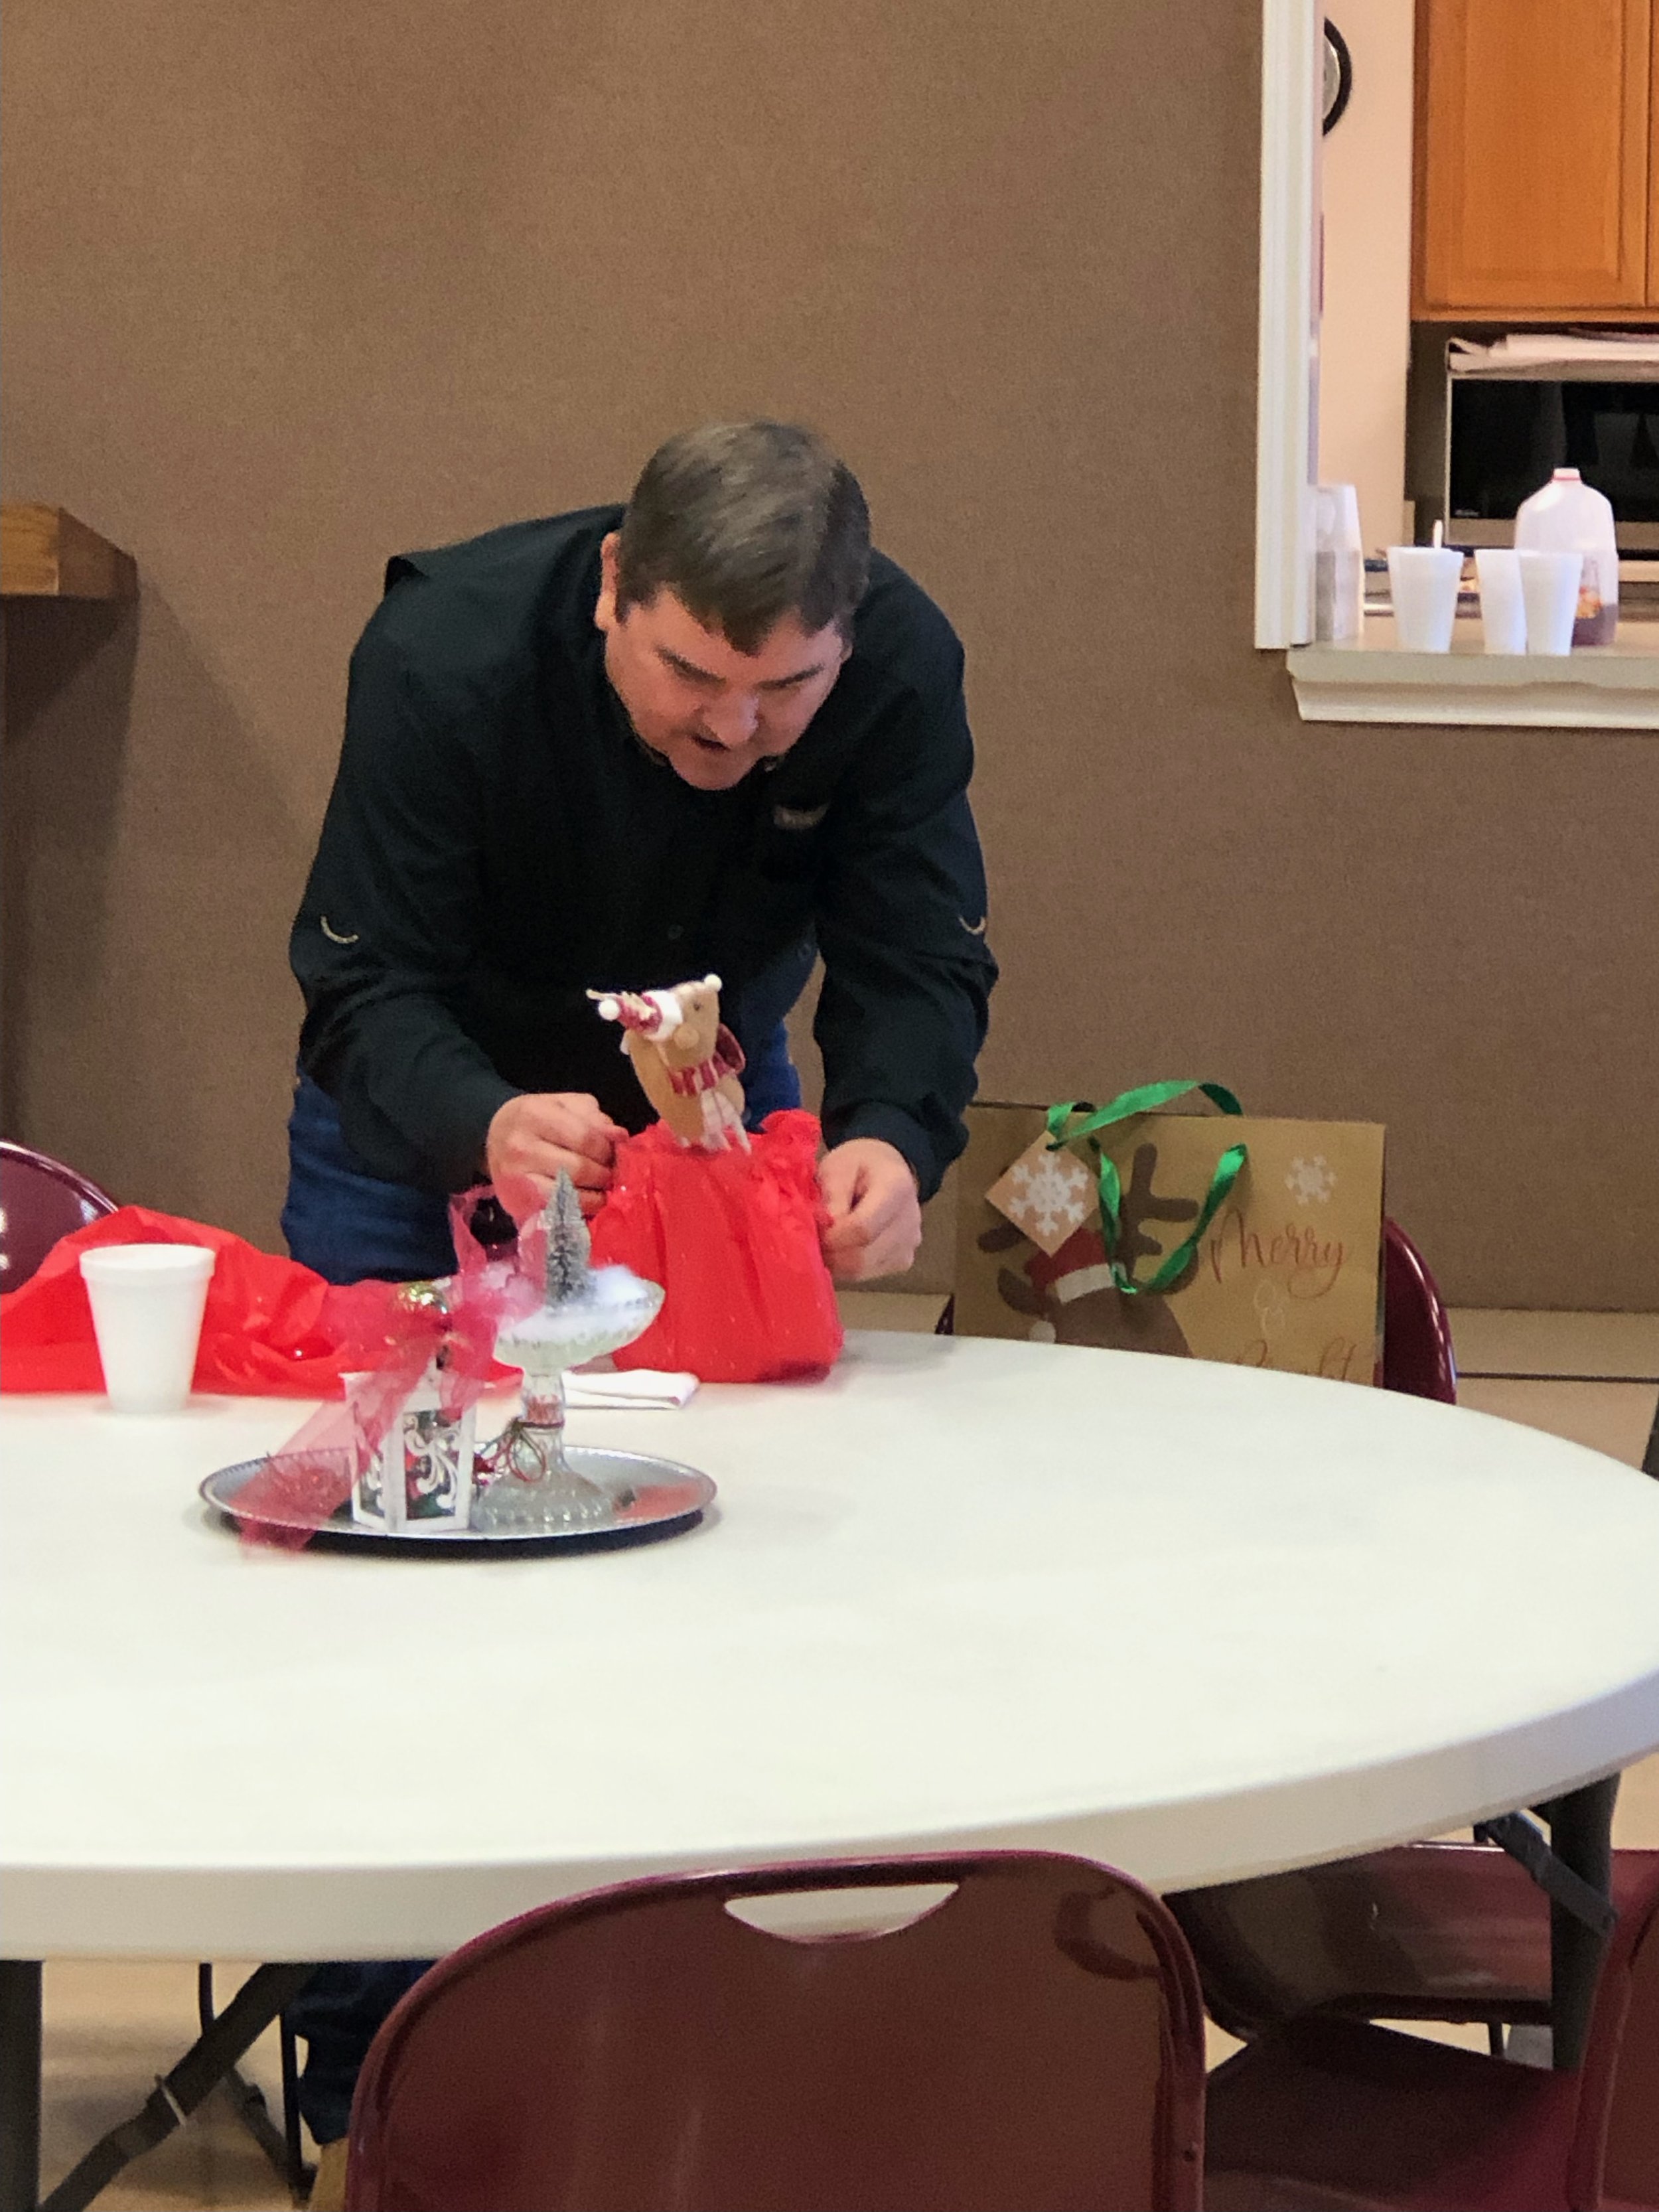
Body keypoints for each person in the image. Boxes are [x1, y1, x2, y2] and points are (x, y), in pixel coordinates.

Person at [280, 421, 995, 2199]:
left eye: (783, 693)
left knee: (696, 1548)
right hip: (430, 1103)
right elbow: (360, 991)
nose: (734, 730)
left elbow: (919, 948)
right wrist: (478, 1124)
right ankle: (375, 2062)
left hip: (690, 1114)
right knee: (391, 1584)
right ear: (613, 584)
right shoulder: (441, 655)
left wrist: (899, 1140)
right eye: (691, 672)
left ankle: (658, 2010)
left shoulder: (894, 662)